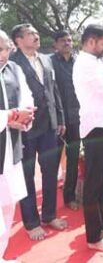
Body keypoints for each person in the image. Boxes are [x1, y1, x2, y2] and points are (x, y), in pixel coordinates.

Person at [10, 24, 66, 240]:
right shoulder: (12, 63)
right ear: (18, 40)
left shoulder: (46, 59)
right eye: (30, 34)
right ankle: (32, 222)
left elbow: (54, 90)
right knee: (26, 176)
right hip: (25, 128)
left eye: (36, 33)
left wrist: (59, 118)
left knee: (51, 171)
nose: (36, 36)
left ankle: (49, 215)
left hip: (49, 126)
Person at [73, 25, 103, 251]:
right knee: (94, 182)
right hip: (95, 128)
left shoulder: (96, 62)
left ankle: (101, 224)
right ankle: (93, 237)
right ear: (91, 41)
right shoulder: (84, 63)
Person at [0, 29, 35, 258]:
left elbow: (27, 99)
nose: (3, 54)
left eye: (5, 49)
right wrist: (11, 116)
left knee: (8, 205)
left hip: (10, 150)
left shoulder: (14, 69)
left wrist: (24, 118)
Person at [50, 31, 81, 211]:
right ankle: (49, 203)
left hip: (76, 118)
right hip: (56, 121)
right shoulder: (50, 63)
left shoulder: (78, 63)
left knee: (73, 158)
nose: (67, 43)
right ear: (56, 44)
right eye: (63, 41)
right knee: (52, 161)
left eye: (69, 40)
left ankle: (70, 196)